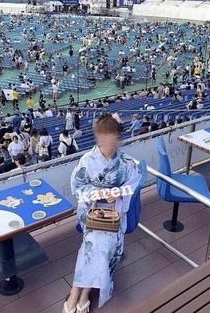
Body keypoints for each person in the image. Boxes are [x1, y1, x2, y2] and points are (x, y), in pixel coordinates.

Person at [63, 113, 145, 313]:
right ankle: (80, 293)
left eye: (111, 136)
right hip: (91, 209)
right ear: (98, 137)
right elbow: (77, 185)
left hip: (114, 210)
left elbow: (132, 186)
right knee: (96, 241)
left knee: (96, 242)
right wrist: (96, 192)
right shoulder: (87, 160)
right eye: (103, 136)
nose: (107, 141)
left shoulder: (125, 163)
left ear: (117, 137)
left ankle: (79, 293)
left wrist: (115, 193)